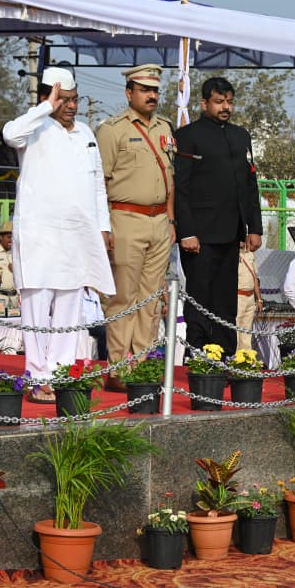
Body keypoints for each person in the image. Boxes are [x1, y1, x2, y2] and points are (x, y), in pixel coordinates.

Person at [2, 65, 115, 403]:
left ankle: (61, 374)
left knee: (69, 307)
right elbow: (9, 134)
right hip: (39, 235)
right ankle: (37, 377)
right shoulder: (33, 127)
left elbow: (97, 186)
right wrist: (44, 108)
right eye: (63, 99)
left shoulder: (85, 132)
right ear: (47, 97)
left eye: (74, 98)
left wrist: (103, 226)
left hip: (77, 236)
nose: (71, 105)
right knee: (37, 306)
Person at [97, 64, 175, 390]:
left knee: (151, 299)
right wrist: (104, 226)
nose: (151, 96)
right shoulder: (111, 130)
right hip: (125, 218)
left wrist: (171, 219)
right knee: (123, 297)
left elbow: (170, 177)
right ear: (129, 93)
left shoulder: (165, 127)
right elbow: (99, 183)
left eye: (154, 90)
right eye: (144, 90)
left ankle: (142, 367)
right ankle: (118, 368)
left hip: (159, 221)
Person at [174, 77, 262, 356]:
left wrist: (254, 227)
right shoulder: (188, 135)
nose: (225, 107)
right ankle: (198, 356)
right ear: (204, 103)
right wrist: (187, 232)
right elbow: (181, 188)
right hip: (199, 235)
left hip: (231, 232)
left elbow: (249, 184)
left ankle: (224, 354)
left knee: (226, 300)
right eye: (219, 102)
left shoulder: (240, 136)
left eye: (229, 102)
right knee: (200, 298)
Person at [236, 243, 262, 351]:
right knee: (236, 329)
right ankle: (234, 357)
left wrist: (259, 299)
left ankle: (246, 357)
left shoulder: (251, 253)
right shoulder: (231, 253)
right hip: (238, 296)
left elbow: (254, 277)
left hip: (250, 297)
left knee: (247, 331)